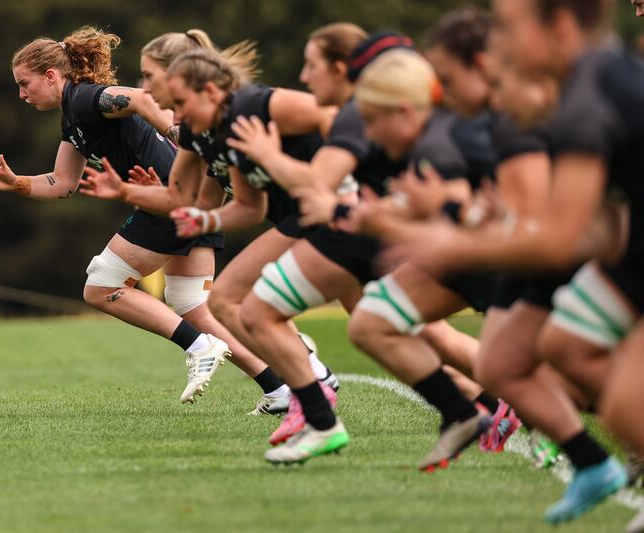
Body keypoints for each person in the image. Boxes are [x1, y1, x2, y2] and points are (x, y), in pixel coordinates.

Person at [371, 0, 634, 524]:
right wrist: (466, 214)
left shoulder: (582, 97)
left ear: (559, 25)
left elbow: (555, 239)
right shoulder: (588, 84)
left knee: (622, 402)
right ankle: (593, 464)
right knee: (541, 352)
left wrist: (453, 241)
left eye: (509, 29)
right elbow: (590, 221)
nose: (498, 48)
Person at [226, 28, 495, 465]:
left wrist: (269, 156)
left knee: (548, 375)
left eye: (312, 65)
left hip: (395, 238)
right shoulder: (387, 117)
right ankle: (473, 408)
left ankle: (326, 418)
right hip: (379, 230)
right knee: (379, 325)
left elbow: (318, 184)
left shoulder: (373, 117)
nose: (304, 76)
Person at [77, 29, 339, 415]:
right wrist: (129, 193)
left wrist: (332, 180)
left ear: (184, 74)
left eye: (149, 76)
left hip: (342, 214)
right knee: (229, 304)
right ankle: (312, 398)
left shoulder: (255, 106)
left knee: (372, 320)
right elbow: (224, 206)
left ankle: (311, 385)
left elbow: (337, 121)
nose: (142, 86)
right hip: (296, 222)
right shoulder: (198, 135)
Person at [0, 26, 239, 405]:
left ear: (51, 76)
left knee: (101, 286)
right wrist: (15, 182)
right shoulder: (73, 120)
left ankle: (199, 347)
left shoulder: (84, 99)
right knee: (191, 306)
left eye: (24, 83)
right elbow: (63, 182)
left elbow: (137, 97)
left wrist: (174, 130)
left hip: (171, 199)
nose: (21, 94)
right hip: (189, 200)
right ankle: (284, 383)